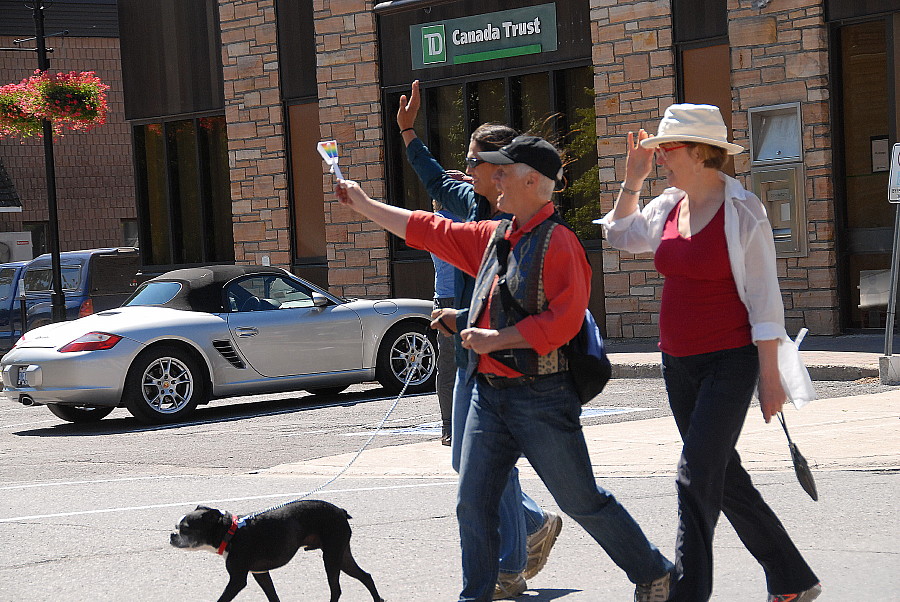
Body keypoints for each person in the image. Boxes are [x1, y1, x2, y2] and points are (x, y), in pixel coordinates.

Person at [335, 135, 675, 602]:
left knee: (582, 502)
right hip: (489, 395)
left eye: (503, 171)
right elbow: (429, 229)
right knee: (472, 505)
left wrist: (498, 339)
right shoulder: (495, 234)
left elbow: (564, 320)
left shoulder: (562, 245)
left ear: (533, 181)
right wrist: (365, 203)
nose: (493, 178)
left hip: (543, 398)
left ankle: (654, 572)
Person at [598, 104, 822, 602]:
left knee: (693, 478)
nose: (658, 156)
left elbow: (766, 301)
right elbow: (618, 233)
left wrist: (770, 377)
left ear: (700, 152)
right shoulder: (667, 206)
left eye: (666, 148)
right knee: (723, 475)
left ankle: (687, 594)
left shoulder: (743, 211)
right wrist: (631, 182)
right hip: (677, 364)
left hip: (731, 361)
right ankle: (793, 579)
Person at [398, 79, 561, 598]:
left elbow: (509, 299)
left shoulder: (516, 219)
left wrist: (459, 314)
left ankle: (510, 564)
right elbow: (434, 184)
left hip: (502, 348)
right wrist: (407, 133)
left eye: (472, 160)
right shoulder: (471, 201)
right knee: (467, 460)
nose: (464, 169)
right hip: (469, 342)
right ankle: (531, 527)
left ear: (499, 167)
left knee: (491, 460)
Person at [430, 199, 461, 446]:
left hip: (443, 298)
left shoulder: (434, 224)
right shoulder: (468, 221)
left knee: (447, 365)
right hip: (468, 296)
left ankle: (448, 426)